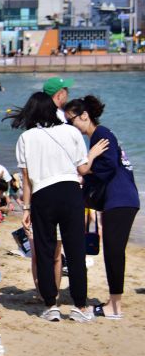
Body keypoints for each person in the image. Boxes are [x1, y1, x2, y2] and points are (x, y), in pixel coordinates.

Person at [8, 92, 108, 323]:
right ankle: (79, 306)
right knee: (75, 251)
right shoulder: (71, 131)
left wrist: (26, 209)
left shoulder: (26, 138)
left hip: (43, 195)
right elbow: (83, 168)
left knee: (44, 251)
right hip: (71, 192)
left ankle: (51, 306)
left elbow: (26, 177)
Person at [64, 96, 139, 319]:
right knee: (113, 251)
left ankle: (115, 307)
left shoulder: (101, 134)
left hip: (121, 199)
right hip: (120, 199)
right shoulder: (101, 134)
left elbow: (108, 167)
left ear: (84, 116)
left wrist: (86, 168)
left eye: (71, 121)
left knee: (114, 253)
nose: (70, 126)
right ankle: (114, 303)